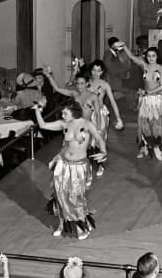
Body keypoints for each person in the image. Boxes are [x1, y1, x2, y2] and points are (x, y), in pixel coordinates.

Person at [32, 99, 106, 239]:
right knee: (60, 196)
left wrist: (103, 152)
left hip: (79, 167)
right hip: (63, 165)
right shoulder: (63, 124)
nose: (62, 114)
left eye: (64, 112)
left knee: (76, 197)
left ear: (72, 112)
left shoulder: (86, 124)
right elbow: (42, 125)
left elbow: (99, 138)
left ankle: (82, 223)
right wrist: (37, 109)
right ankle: (62, 224)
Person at [119, 43, 162, 160]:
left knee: (156, 124)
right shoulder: (144, 65)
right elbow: (131, 57)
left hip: (155, 99)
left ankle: (156, 146)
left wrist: (148, 93)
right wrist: (124, 46)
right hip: (145, 99)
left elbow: (161, 87)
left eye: (153, 56)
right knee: (141, 124)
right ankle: (143, 146)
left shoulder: (161, 68)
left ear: (157, 57)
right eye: (149, 56)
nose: (151, 58)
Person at [82, 59, 125, 176]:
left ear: (102, 72)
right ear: (90, 71)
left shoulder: (105, 85)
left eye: (98, 71)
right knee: (88, 139)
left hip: (100, 113)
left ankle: (100, 164)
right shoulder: (86, 83)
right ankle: (90, 163)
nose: (96, 73)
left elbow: (113, 102)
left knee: (99, 138)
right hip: (88, 114)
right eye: (94, 70)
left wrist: (118, 118)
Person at [103, 36, 136, 112]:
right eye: (117, 44)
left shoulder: (119, 51)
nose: (119, 46)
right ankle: (131, 107)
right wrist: (124, 74)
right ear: (112, 46)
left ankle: (131, 107)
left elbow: (127, 63)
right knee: (130, 89)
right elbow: (111, 68)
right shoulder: (108, 54)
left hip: (119, 78)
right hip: (112, 79)